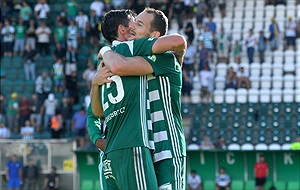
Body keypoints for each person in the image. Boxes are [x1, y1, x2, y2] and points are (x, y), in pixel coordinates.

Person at [89, 8, 186, 189]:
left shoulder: (163, 58)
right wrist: (95, 84)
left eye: (139, 24)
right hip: (145, 146)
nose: (132, 26)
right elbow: (96, 111)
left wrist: (105, 50)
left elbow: (120, 66)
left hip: (167, 148)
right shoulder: (131, 55)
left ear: (154, 35)